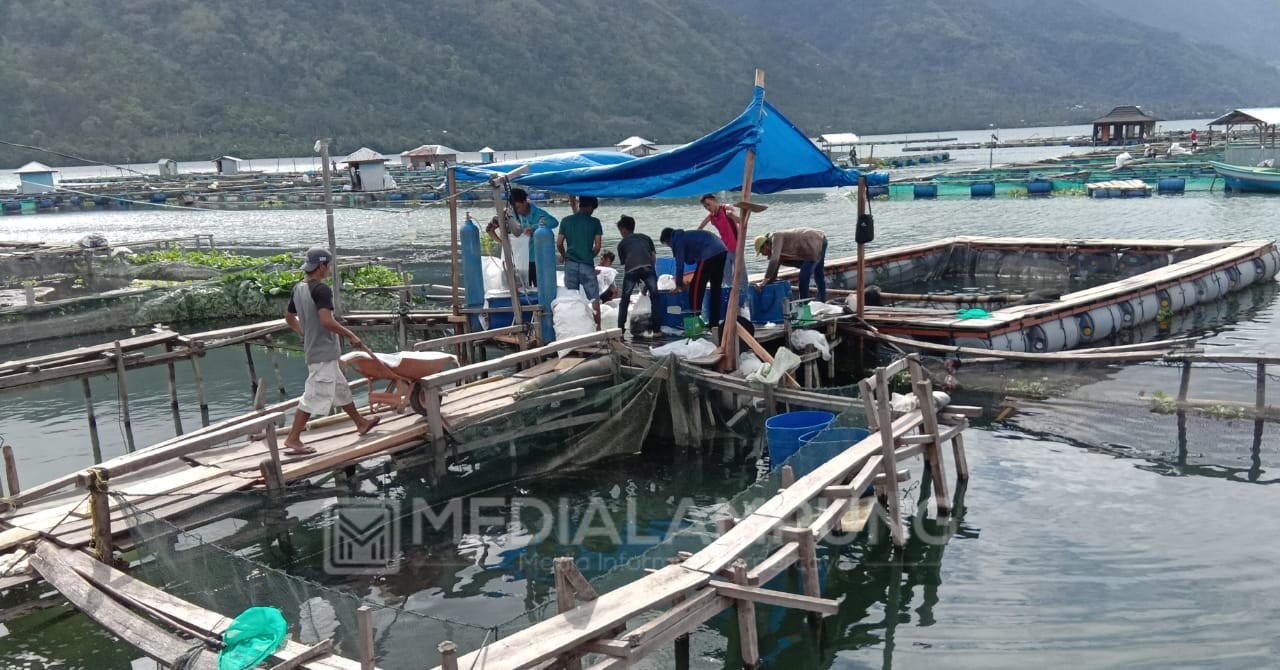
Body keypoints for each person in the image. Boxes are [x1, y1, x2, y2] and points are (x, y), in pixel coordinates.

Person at [282, 247, 380, 455]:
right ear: (322, 266)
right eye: (329, 266)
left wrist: (304, 334)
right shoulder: (322, 290)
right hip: (322, 352)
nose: (330, 270)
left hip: (317, 350)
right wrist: (351, 335)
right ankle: (293, 438)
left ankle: (360, 423)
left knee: (340, 388)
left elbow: (289, 318)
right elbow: (327, 320)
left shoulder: (298, 289)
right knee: (314, 393)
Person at [660, 227, 728, 332]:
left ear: (669, 240)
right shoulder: (686, 236)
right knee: (716, 289)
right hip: (721, 250)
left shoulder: (678, 240)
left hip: (710, 252)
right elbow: (694, 261)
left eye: (668, 245)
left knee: (695, 289)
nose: (670, 247)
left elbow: (680, 265)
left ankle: (694, 323)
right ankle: (714, 324)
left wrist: (678, 285)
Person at [557, 195, 603, 326]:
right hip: (587, 265)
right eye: (593, 208)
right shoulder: (595, 222)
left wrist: (564, 255)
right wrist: (589, 256)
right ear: (589, 207)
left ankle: (573, 327)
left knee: (572, 297)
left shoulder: (566, 221)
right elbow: (598, 246)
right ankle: (598, 328)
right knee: (594, 298)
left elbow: (559, 243)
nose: (592, 211)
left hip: (570, 264)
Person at [615, 216, 661, 337]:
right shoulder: (646, 238)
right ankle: (657, 330)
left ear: (623, 230)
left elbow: (628, 264)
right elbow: (653, 257)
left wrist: (639, 282)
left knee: (624, 300)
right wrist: (647, 279)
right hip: (648, 267)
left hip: (631, 271)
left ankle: (620, 330)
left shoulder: (622, 244)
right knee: (655, 297)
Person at [754, 227, 828, 302]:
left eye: (761, 252)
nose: (762, 254)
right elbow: (774, 271)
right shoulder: (774, 249)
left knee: (805, 277)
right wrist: (766, 284)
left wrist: (764, 280)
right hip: (811, 246)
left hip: (814, 240)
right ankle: (821, 301)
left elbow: (774, 260)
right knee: (818, 274)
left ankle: (804, 304)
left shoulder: (776, 236)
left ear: (765, 246)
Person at [510, 188, 558, 287]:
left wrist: (535, 227)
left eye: (518, 207)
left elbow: (554, 222)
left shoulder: (539, 213)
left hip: (537, 259)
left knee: (539, 287)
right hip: (520, 260)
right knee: (522, 289)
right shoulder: (513, 215)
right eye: (515, 208)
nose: (517, 211)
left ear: (525, 202)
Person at [697, 194, 742, 278]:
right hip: (724, 249)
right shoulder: (711, 217)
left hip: (737, 247)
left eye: (708, 204)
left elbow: (740, 221)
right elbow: (700, 228)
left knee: (740, 276)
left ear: (714, 200)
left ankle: (744, 291)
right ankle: (727, 290)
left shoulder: (725, 208)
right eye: (705, 207)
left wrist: (731, 215)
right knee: (726, 276)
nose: (707, 208)